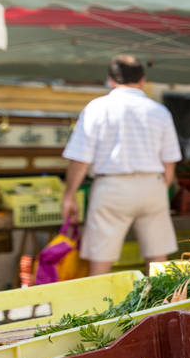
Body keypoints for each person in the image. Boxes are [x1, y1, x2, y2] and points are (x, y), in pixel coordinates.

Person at [59, 55, 181, 276]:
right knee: (158, 263)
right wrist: (162, 189)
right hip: (152, 185)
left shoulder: (97, 108)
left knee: (101, 262)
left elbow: (80, 159)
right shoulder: (159, 111)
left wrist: (69, 195)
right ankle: (164, 308)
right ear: (142, 80)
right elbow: (169, 161)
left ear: (111, 81)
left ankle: (99, 308)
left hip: (111, 188)